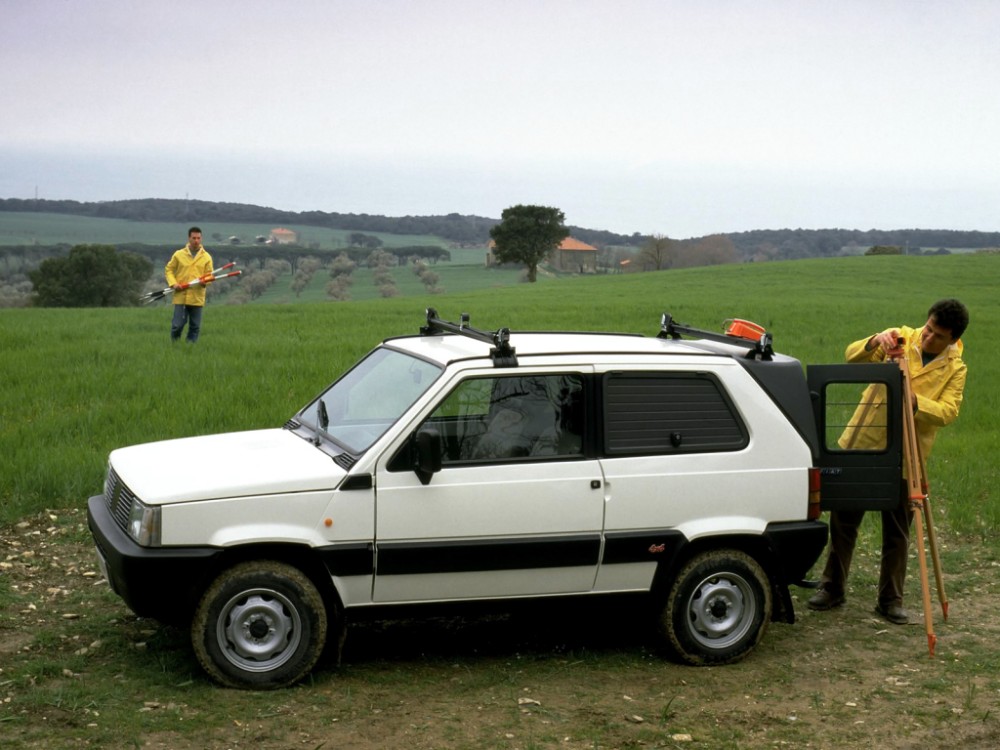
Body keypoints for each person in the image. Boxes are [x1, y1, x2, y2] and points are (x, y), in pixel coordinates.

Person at [808, 298, 969, 624]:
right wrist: (873, 341)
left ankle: (890, 599)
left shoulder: (955, 369)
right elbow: (851, 356)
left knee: (897, 532)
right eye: (927, 329)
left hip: (907, 457)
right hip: (859, 444)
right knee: (844, 522)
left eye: (937, 335)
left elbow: (948, 412)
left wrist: (915, 402)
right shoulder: (901, 339)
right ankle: (832, 587)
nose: (927, 338)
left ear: (952, 340)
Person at [165, 226, 214, 343]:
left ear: (201, 238)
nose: (196, 241)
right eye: (193, 238)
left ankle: (189, 349)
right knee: (177, 325)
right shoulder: (178, 254)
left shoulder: (207, 257)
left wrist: (205, 282)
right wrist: (173, 283)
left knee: (195, 327)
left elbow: (210, 276)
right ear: (189, 238)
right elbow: (169, 270)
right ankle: (174, 346)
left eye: (198, 238)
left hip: (197, 297)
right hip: (181, 295)